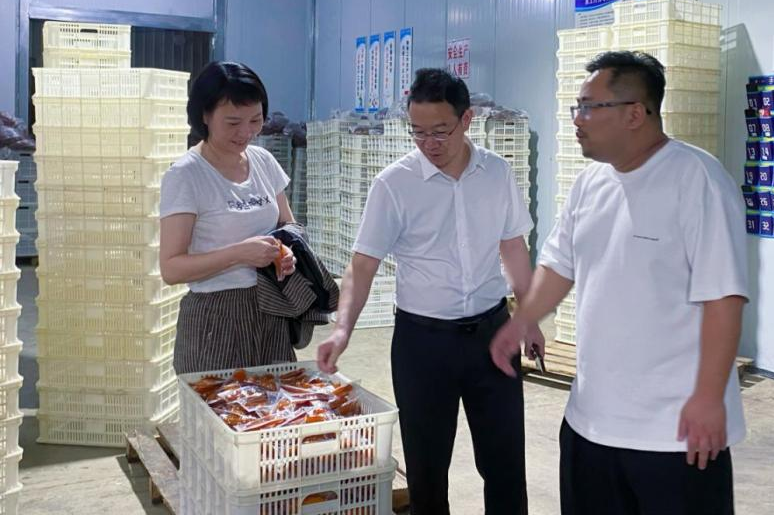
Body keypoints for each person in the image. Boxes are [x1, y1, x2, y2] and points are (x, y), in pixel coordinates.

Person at [491, 50, 748, 515]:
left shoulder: (698, 180)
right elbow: (559, 266)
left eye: (590, 107)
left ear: (635, 114)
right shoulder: (590, 183)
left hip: (675, 432)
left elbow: (724, 297)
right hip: (590, 422)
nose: (578, 119)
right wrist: (522, 320)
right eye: (577, 106)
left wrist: (710, 398)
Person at [317, 68, 542, 515]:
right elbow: (363, 265)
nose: (429, 143)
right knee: (427, 471)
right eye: (417, 132)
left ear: (466, 119)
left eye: (440, 131)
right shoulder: (394, 184)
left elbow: (513, 246)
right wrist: (342, 330)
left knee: (504, 464)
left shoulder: (496, 173)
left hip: (493, 337)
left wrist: (529, 317)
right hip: (423, 344)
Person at [159, 61, 298, 375]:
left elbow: (288, 226)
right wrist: (239, 254)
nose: (246, 132)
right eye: (233, 122)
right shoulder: (186, 175)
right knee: (220, 401)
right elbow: (171, 268)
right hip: (215, 317)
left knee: (274, 400)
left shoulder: (263, 161)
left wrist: (287, 251)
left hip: (272, 309)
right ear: (205, 116)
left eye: (255, 120)